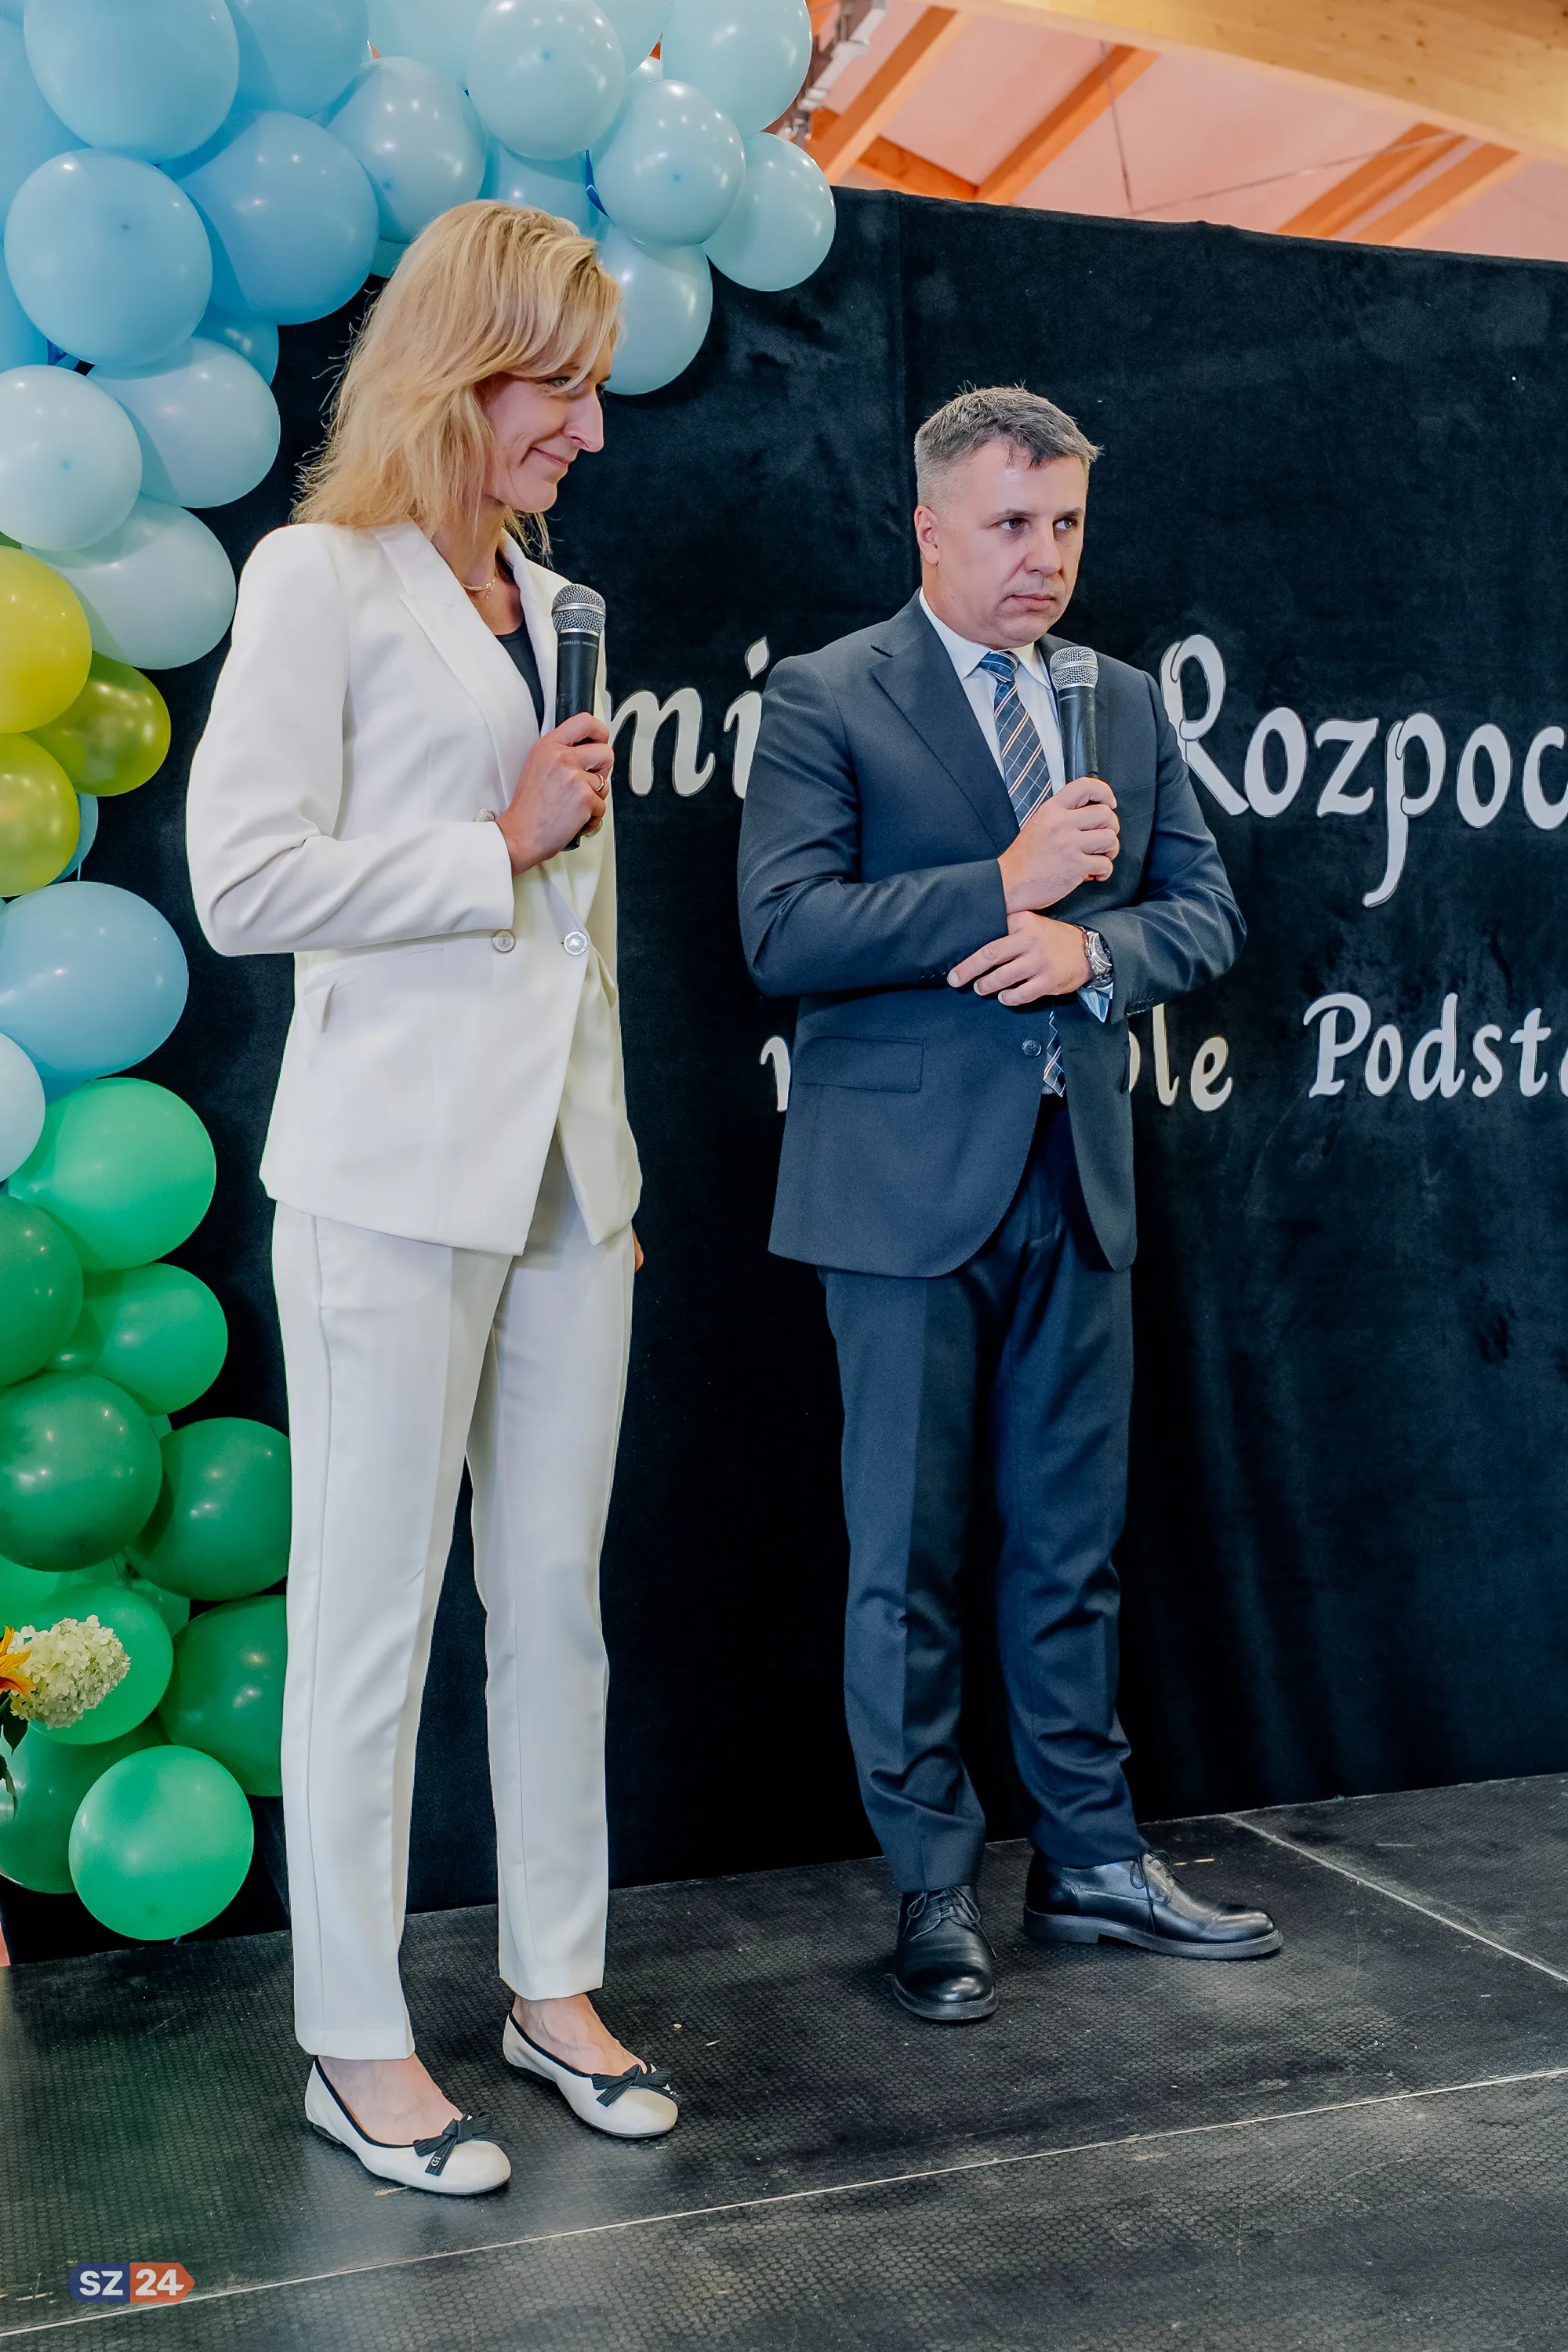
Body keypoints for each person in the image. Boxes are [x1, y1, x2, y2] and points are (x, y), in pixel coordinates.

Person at [187, 201, 677, 2194]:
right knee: (369, 1625)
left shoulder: (559, 601)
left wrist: (610, 1166)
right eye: (559, 387)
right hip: (386, 1184)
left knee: (553, 1604)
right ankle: (354, 2043)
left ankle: (553, 1991)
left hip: (567, 1188)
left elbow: (589, 930)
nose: (588, 430)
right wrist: (491, 838)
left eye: (596, 391)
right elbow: (242, 882)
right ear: (457, 372)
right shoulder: (315, 578)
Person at [737, 386, 1281, 2024]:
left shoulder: (1119, 698)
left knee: (1070, 1548)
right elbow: (783, 932)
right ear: (929, 529)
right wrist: (1002, 887)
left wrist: (1089, 951)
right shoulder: (830, 690)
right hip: (897, 1200)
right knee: (903, 1558)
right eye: (1010, 525)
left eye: (1064, 526)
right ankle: (931, 1885)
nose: (1043, 556)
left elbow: (1205, 911)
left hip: (1078, 1182)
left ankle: (1093, 1861)